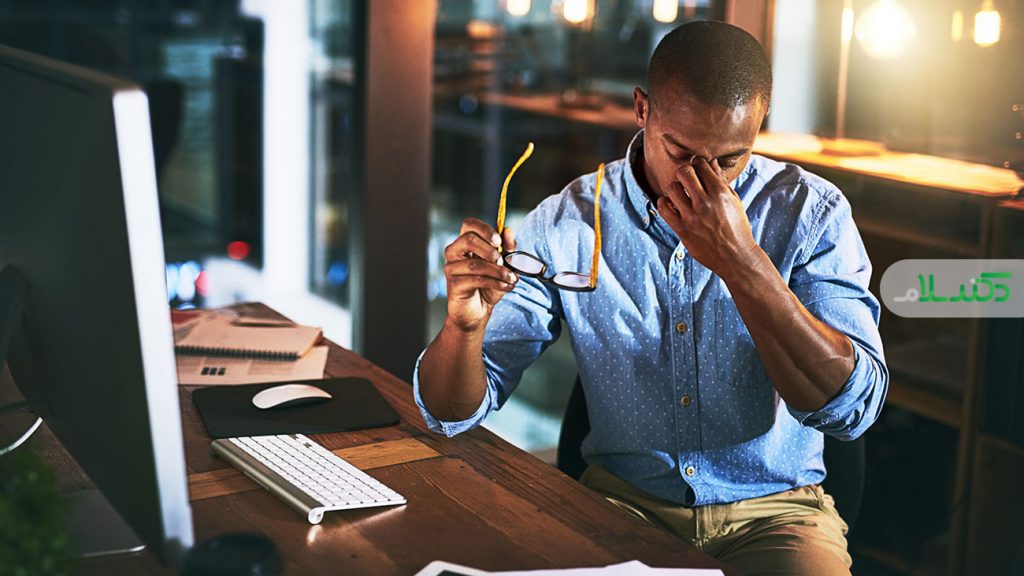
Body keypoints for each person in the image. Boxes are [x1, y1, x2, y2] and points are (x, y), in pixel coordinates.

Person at [414, 20, 887, 576]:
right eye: (681, 151)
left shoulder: (812, 214)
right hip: (621, 508)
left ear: (758, 126)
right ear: (642, 110)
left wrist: (742, 261)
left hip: (775, 516)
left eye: (729, 159)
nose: (703, 182)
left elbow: (852, 408)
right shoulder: (567, 222)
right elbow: (449, 414)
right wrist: (464, 329)